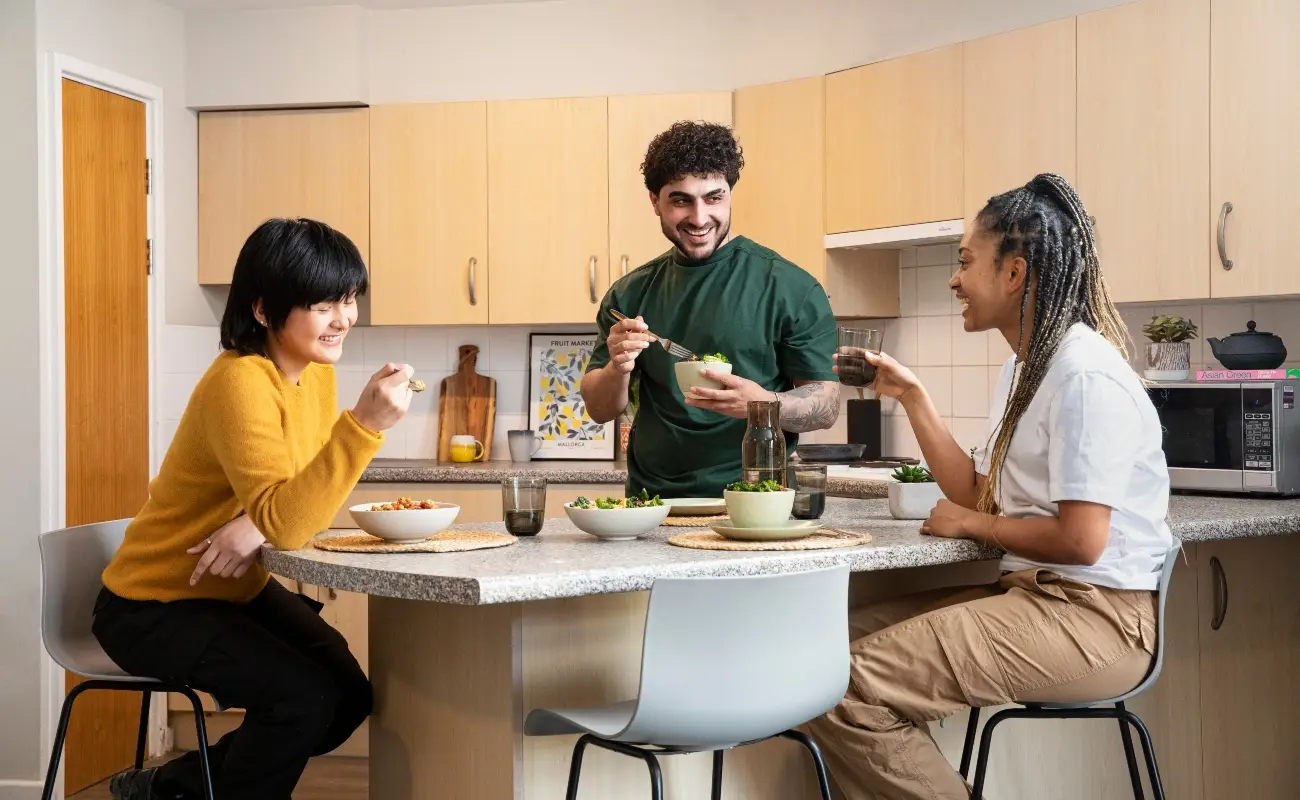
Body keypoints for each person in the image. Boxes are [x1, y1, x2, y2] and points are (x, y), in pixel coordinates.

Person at [806, 174, 1173, 799]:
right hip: (1036, 596)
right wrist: (912, 396)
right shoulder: (1025, 367)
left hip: (1098, 619)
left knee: (844, 685)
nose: (955, 279)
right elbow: (981, 491)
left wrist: (978, 527)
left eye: (965, 261)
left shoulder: (1085, 377)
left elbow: (1083, 540)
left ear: (1014, 274)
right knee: (815, 657)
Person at [93, 218, 415, 800]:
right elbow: (291, 522)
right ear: (265, 311)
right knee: (301, 700)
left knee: (347, 698)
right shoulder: (239, 382)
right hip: (155, 603)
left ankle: (168, 786)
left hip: (232, 588)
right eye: (322, 304)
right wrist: (363, 426)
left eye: (348, 299)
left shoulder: (314, 376)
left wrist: (254, 520)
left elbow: (293, 500)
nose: (343, 318)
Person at [582, 121, 840, 497]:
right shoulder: (628, 295)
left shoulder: (791, 287)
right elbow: (600, 409)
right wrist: (617, 367)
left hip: (757, 501)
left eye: (714, 198)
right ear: (654, 200)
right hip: (650, 505)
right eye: (681, 200)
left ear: (731, 194)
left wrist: (760, 404)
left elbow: (827, 404)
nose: (700, 218)